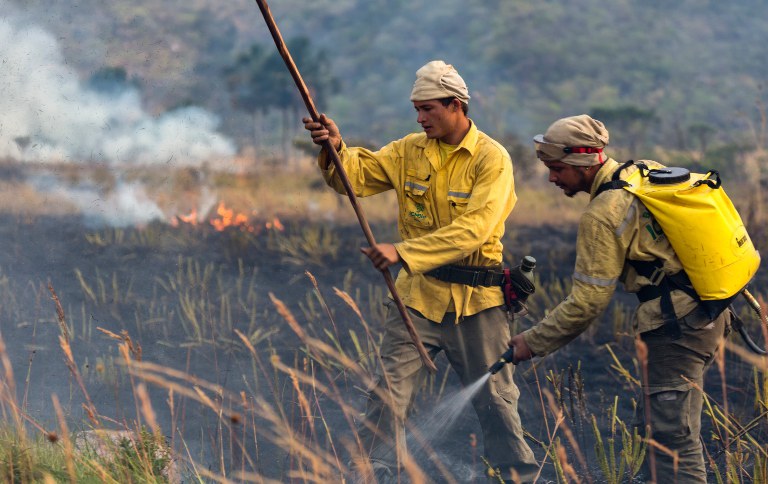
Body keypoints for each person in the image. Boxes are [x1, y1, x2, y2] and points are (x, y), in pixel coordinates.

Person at [303, 60, 538, 482]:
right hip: (417, 298)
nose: (419, 117)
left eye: (428, 108)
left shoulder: (492, 159)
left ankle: (515, 475)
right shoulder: (408, 150)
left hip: (478, 304)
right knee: (387, 395)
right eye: (416, 108)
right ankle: (372, 473)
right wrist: (335, 149)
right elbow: (354, 179)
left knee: (497, 401)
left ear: (456, 105)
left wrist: (403, 252)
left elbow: (475, 229)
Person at [507, 114, 731, 483]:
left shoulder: (602, 214)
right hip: (708, 311)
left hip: (677, 328)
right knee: (658, 426)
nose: (551, 177)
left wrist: (531, 343)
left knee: (674, 437)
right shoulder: (643, 172)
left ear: (581, 162)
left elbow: (587, 303)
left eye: (557, 168)